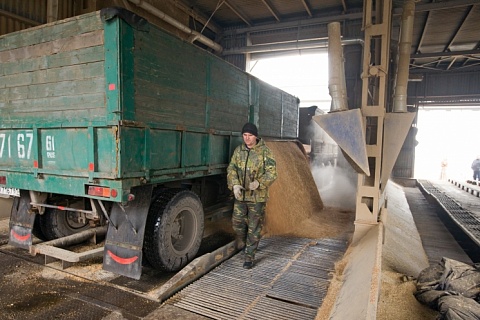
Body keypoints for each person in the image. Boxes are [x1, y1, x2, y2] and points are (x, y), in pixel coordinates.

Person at [227, 122, 277, 269]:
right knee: (237, 223)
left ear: (256, 136)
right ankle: (247, 244)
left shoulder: (265, 152)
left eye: (250, 135)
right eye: (245, 135)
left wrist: (259, 183)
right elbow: (232, 168)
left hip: (257, 197)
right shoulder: (239, 151)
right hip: (241, 196)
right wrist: (234, 184)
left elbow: (272, 173)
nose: (247, 138)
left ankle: (249, 256)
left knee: (254, 227)